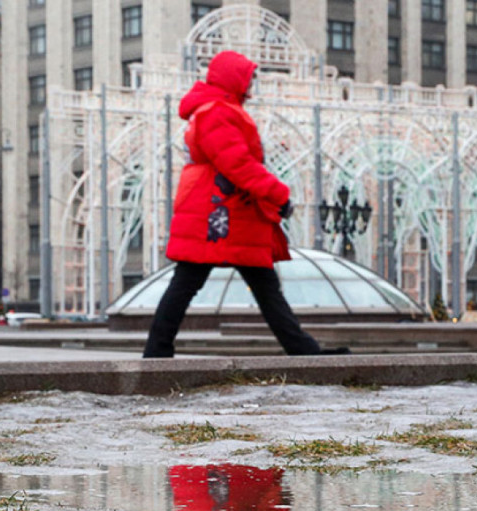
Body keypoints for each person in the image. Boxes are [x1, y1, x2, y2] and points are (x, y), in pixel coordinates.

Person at [143, 50, 346, 358]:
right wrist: (278, 194)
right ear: (233, 78)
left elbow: (237, 164)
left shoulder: (218, 109)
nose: (251, 83)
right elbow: (237, 164)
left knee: (250, 286)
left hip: (226, 212)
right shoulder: (217, 112)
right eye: (248, 77)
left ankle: (304, 351)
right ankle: (156, 352)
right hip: (219, 214)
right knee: (195, 283)